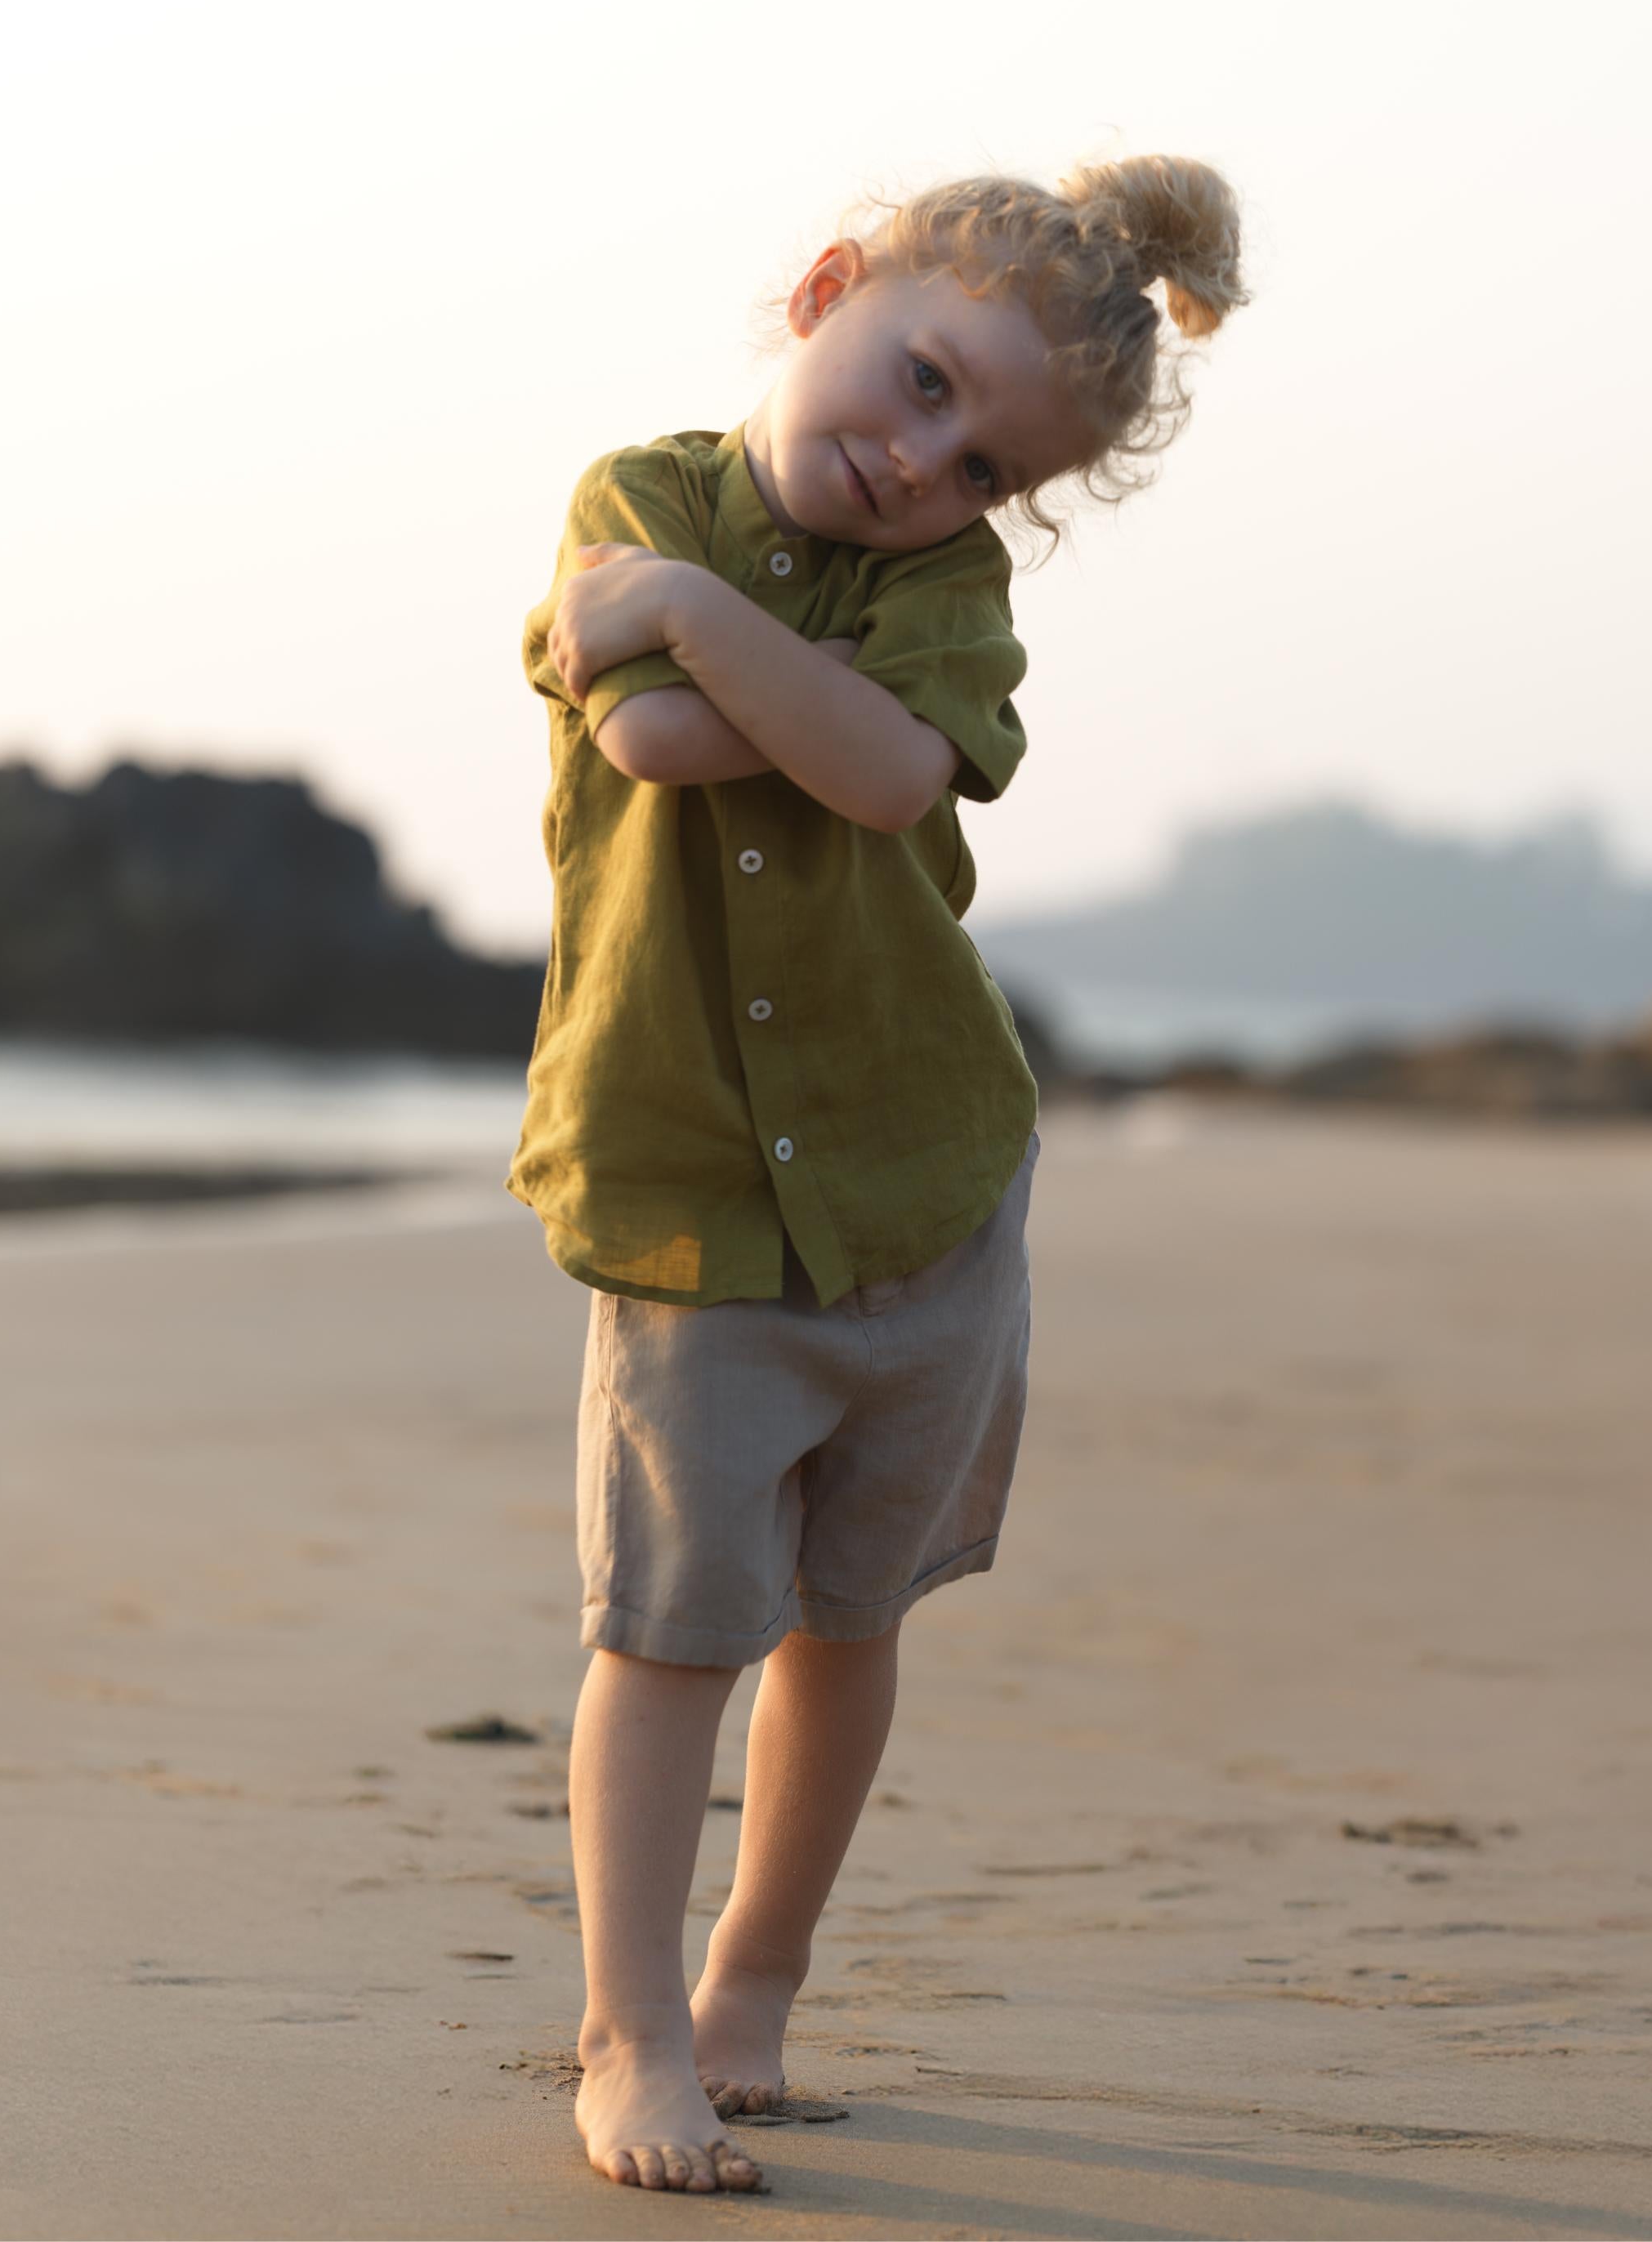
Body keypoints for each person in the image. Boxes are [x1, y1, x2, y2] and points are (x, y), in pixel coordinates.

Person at [511, 154, 1249, 2195]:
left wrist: (687, 624)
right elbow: (656, 746)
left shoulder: (937, 590)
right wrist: (704, 628)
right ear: (830, 286)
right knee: (670, 1628)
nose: (923, 463)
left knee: (851, 1617)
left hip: (925, 1184)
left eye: (985, 463)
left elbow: (892, 770)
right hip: (692, 1192)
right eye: (922, 380)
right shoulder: (638, 500)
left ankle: (755, 1979)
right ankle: (629, 2037)